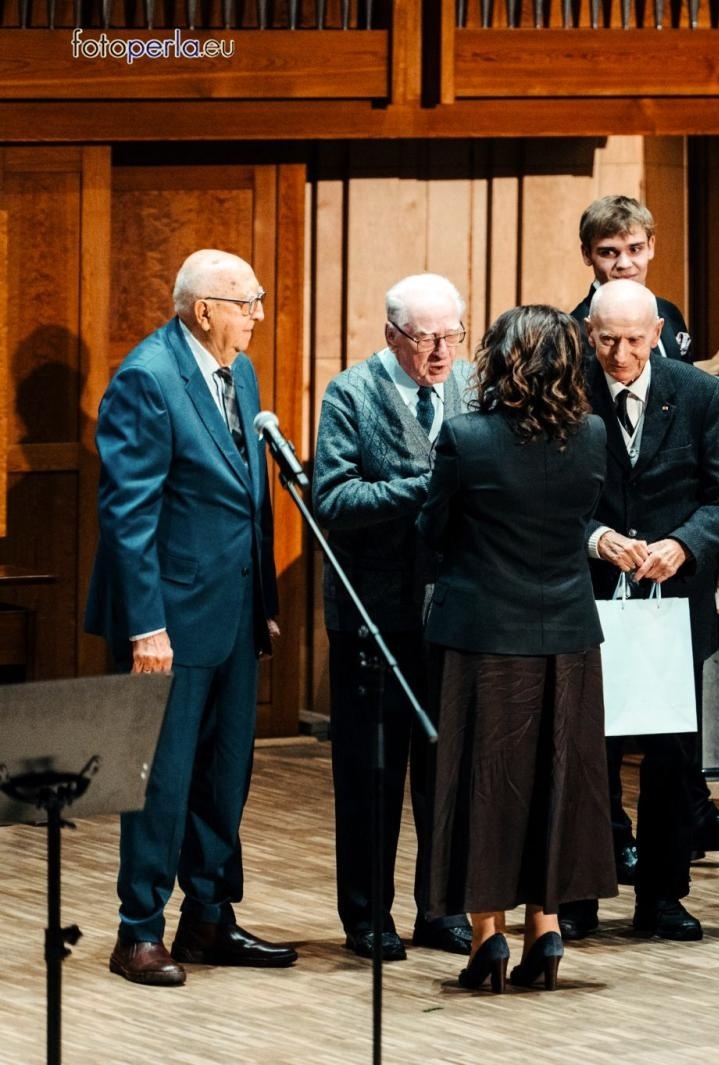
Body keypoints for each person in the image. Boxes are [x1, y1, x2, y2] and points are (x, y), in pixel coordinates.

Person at [86, 248, 296, 986]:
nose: (258, 317)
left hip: (233, 613)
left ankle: (209, 917)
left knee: (225, 774)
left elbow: (250, 498)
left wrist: (263, 605)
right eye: (248, 303)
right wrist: (146, 626)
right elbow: (129, 514)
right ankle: (137, 931)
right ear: (204, 309)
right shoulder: (147, 378)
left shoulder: (238, 371)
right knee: (162, 779)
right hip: (169, 620)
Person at [421, 305, 613, 994]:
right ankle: (548, 924)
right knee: (556, 779)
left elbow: (432, 530)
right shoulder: (593, 435)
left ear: (499, 361)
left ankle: (487, 937)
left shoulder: (467, 436)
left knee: (485, 785)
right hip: (567, 636)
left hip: (481, 638)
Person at [559, 279, 719, 943]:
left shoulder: (695, 393)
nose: (620, 352)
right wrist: (592, 537)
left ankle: (662, 894)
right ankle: (580, 890)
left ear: (657, 333)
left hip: (671, 601)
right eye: (606, 339)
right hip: (589, 596)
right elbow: (549, 494)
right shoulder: (567, 388)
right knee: (588, 753)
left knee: (674, 754)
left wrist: (682, 544)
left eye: (634, 340)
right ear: (588, 334)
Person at [311, 273, 475, 960]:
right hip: (372, 618)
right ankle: (367, 916)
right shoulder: (350, 393)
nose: (440, 351)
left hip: (454, 616)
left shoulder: (470, 387)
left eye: (451, 335)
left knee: (446, 772)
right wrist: (429, 486)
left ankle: (441, 907)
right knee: (372, 774)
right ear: (391, 333)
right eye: (424, 337)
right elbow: (334, 497)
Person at [571, 194, 694, 363]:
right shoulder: (571, 334)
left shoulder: (669, 313)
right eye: (608, 252)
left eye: (635, 249)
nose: (624, 264)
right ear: (586, 254)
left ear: (651, 246)